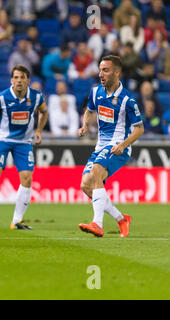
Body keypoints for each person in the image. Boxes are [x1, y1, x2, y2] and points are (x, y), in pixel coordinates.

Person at [78, 55, 144, 238]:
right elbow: (89, 110)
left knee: (97, 172)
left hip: (118, 147)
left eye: (105, 70)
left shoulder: (127, 100)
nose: (101, 74)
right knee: (85, 185)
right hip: (100, 147)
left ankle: (97, 224)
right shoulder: (95, 92)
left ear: (117, 72)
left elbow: (139, 129)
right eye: (100, 70)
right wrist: (85, 125)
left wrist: (123, 145)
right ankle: (122, 219)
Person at [0, 65, 48, 230]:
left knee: (27, 178)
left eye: (22, 77)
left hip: (23, 142)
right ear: (11, 80)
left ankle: (16, 221)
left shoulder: (36, 97)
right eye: (16, 77)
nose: (19, 81)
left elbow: (44, 112)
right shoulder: (1, 98)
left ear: (28, 80)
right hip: (2, 139)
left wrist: (38, 130)